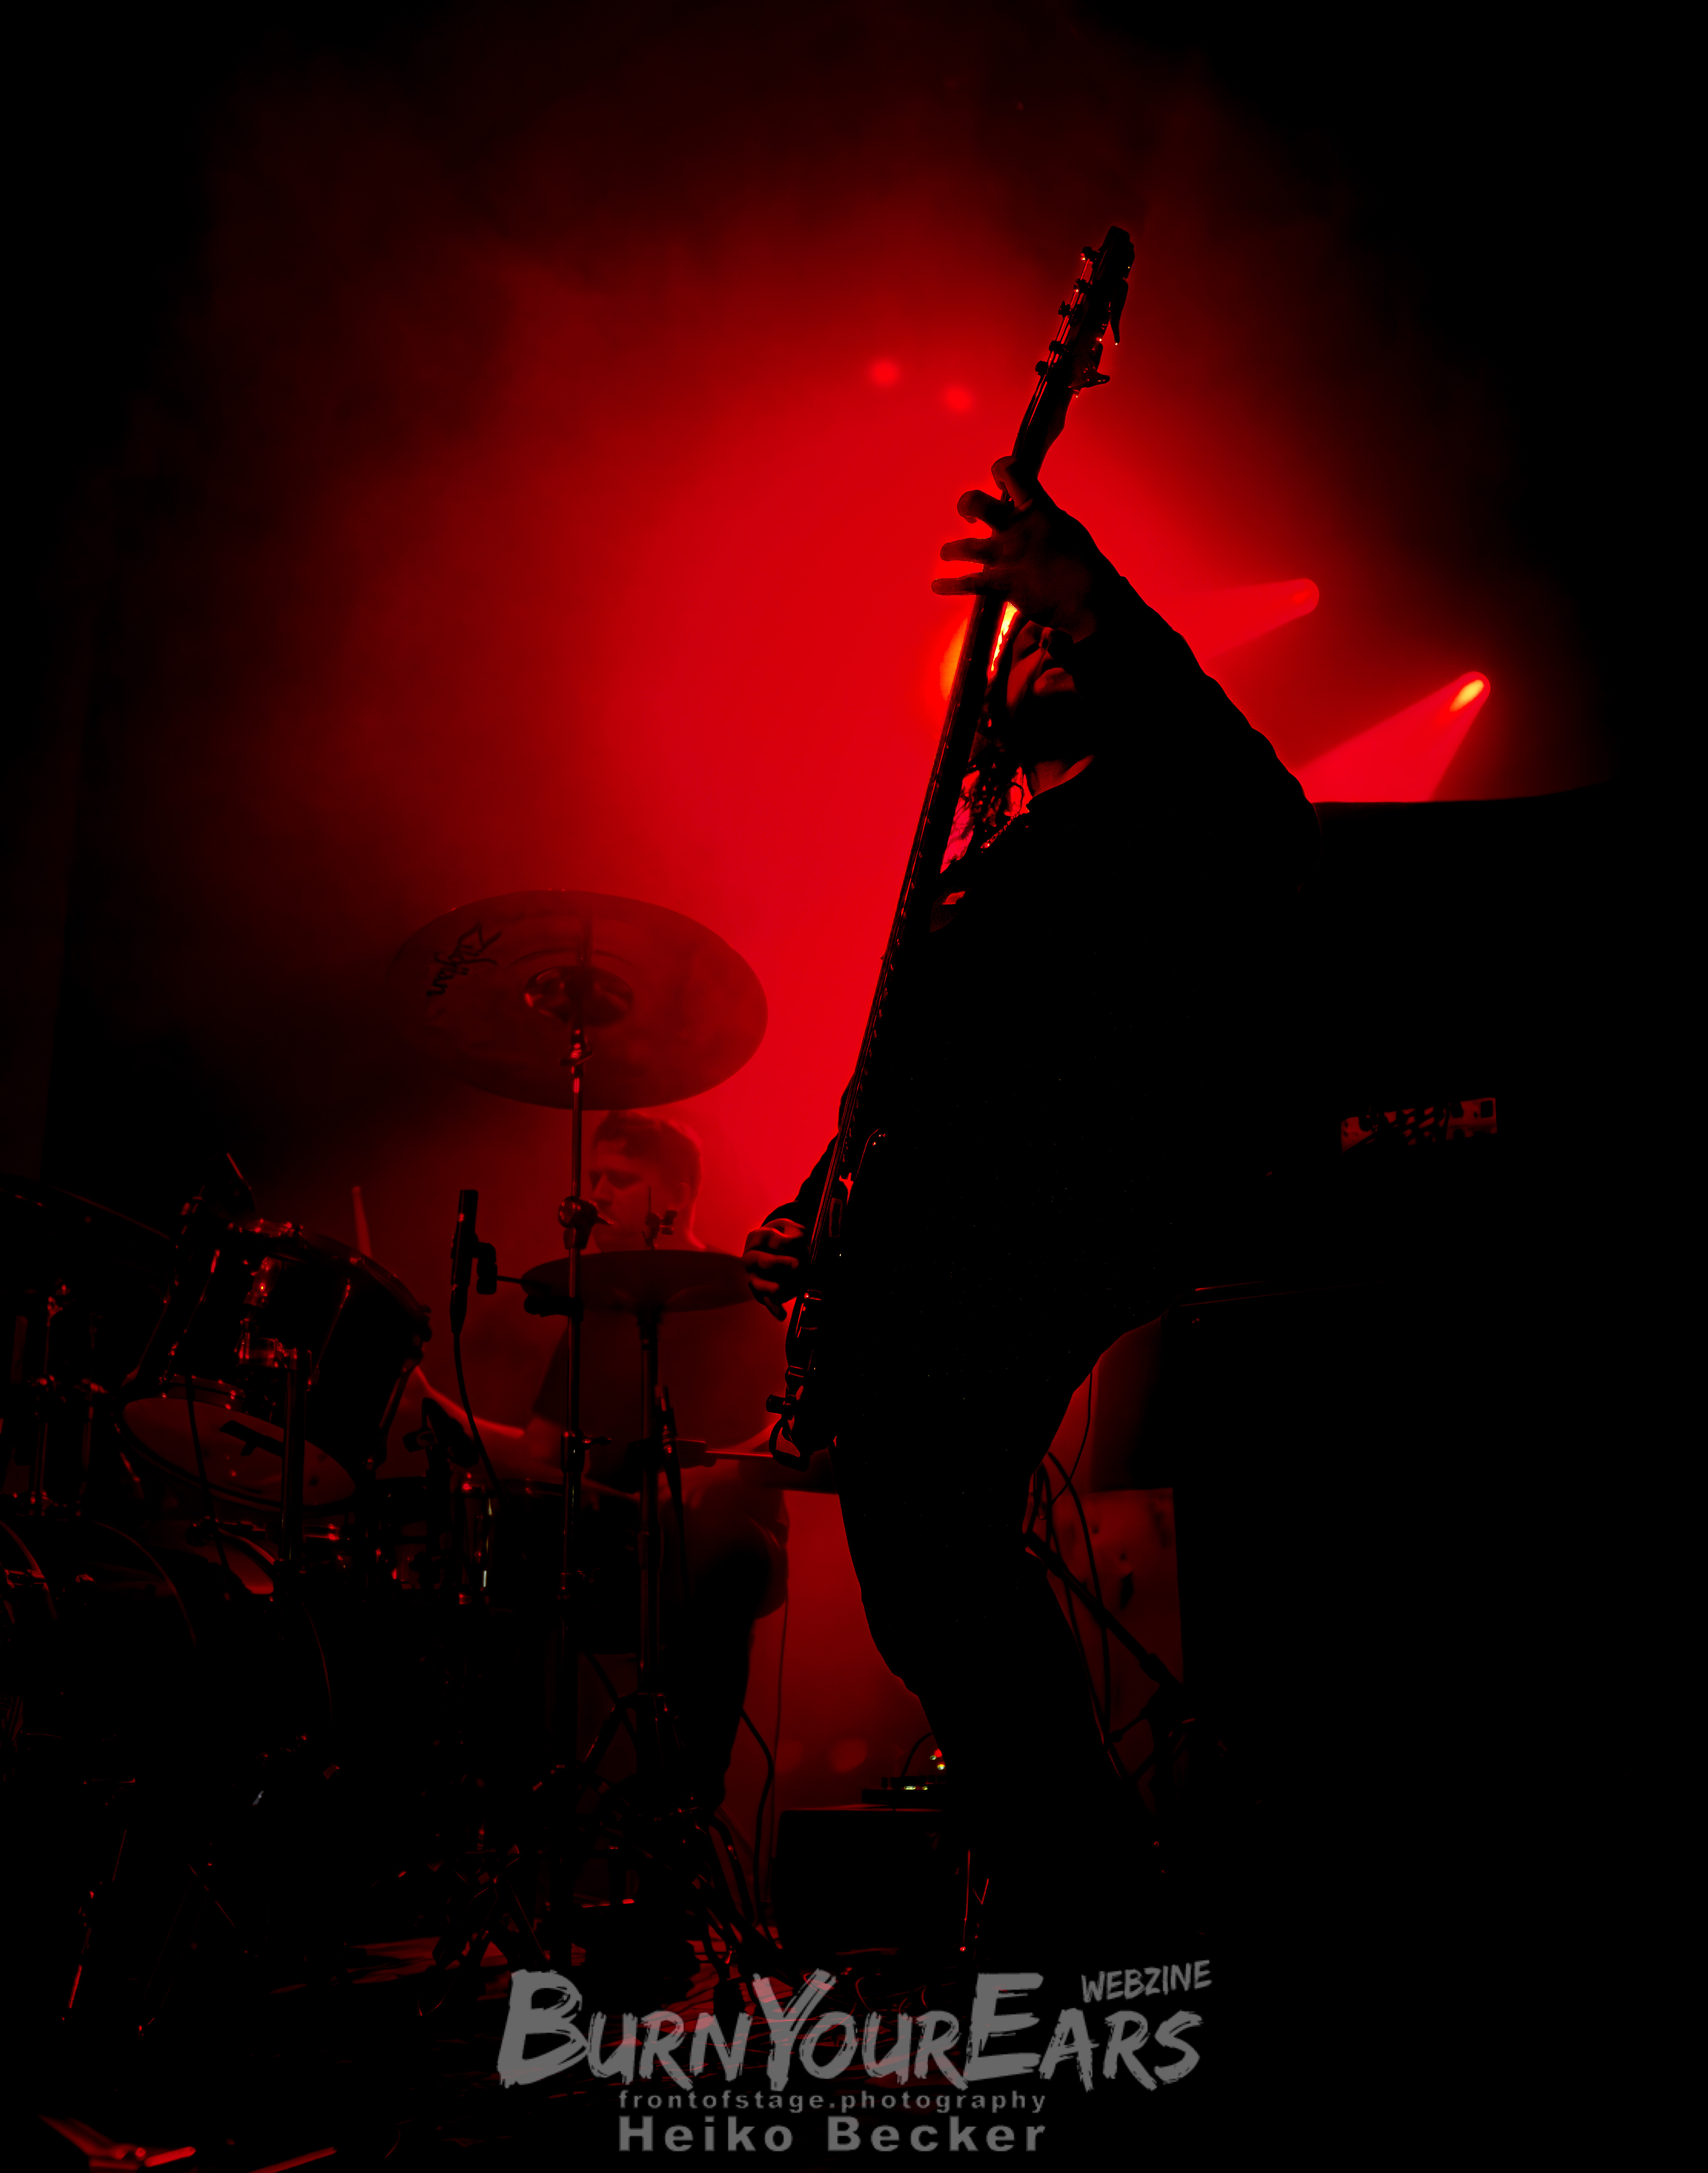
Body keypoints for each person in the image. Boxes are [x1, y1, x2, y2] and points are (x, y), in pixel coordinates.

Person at [742, 457, 1319, 1955]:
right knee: (926, 1577)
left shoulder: (1157, 803)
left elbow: (1262, 800)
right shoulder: (985, 855)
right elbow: (911, 1064)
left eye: (1062, 641)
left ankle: (1100, 1920)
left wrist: (1094, 598)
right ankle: (1077, 1899)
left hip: (1051, 1206)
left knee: (940, 1558)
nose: (1042, 650)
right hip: (943, 1226)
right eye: (1028, 645)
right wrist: (816, 1202)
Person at [390, 1111, 788, 1808]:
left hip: (728, 1542)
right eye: (594, 1176)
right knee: (496, 1534)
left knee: (704, 1539)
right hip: (616, 1540)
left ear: (678, 1195)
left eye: (621, 1179)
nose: (597, 1193)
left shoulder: (741, 1299)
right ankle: (507, 1795)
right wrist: (436, 1408)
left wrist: (725, 1474)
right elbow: (539, 1454)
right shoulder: (596, 1314)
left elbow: (793, 1428)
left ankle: (682, 1794)